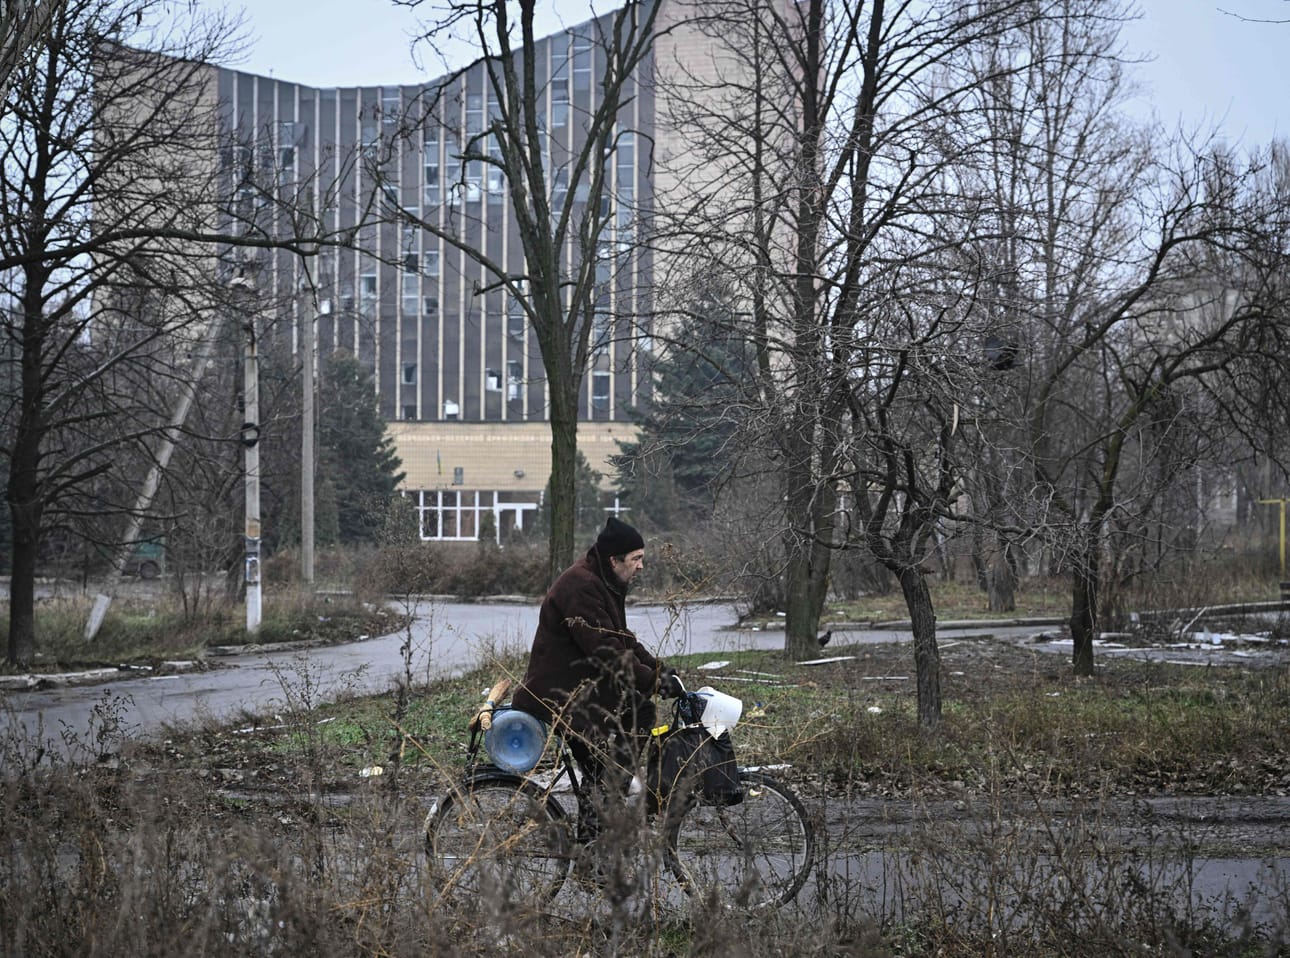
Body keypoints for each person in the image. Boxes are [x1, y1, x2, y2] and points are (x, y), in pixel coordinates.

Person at [512, 516, 681, 841]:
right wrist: (652, 682)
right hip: (560, 696)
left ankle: (601, 827)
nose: (641, 566)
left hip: (580, 690)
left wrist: (658, 670)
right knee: (606, 764)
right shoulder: (582, 586)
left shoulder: (604, 582)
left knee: (634, 720)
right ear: (614, 560)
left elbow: (622, 639)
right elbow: (605, 650)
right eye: (636, 559)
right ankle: (597, 842)